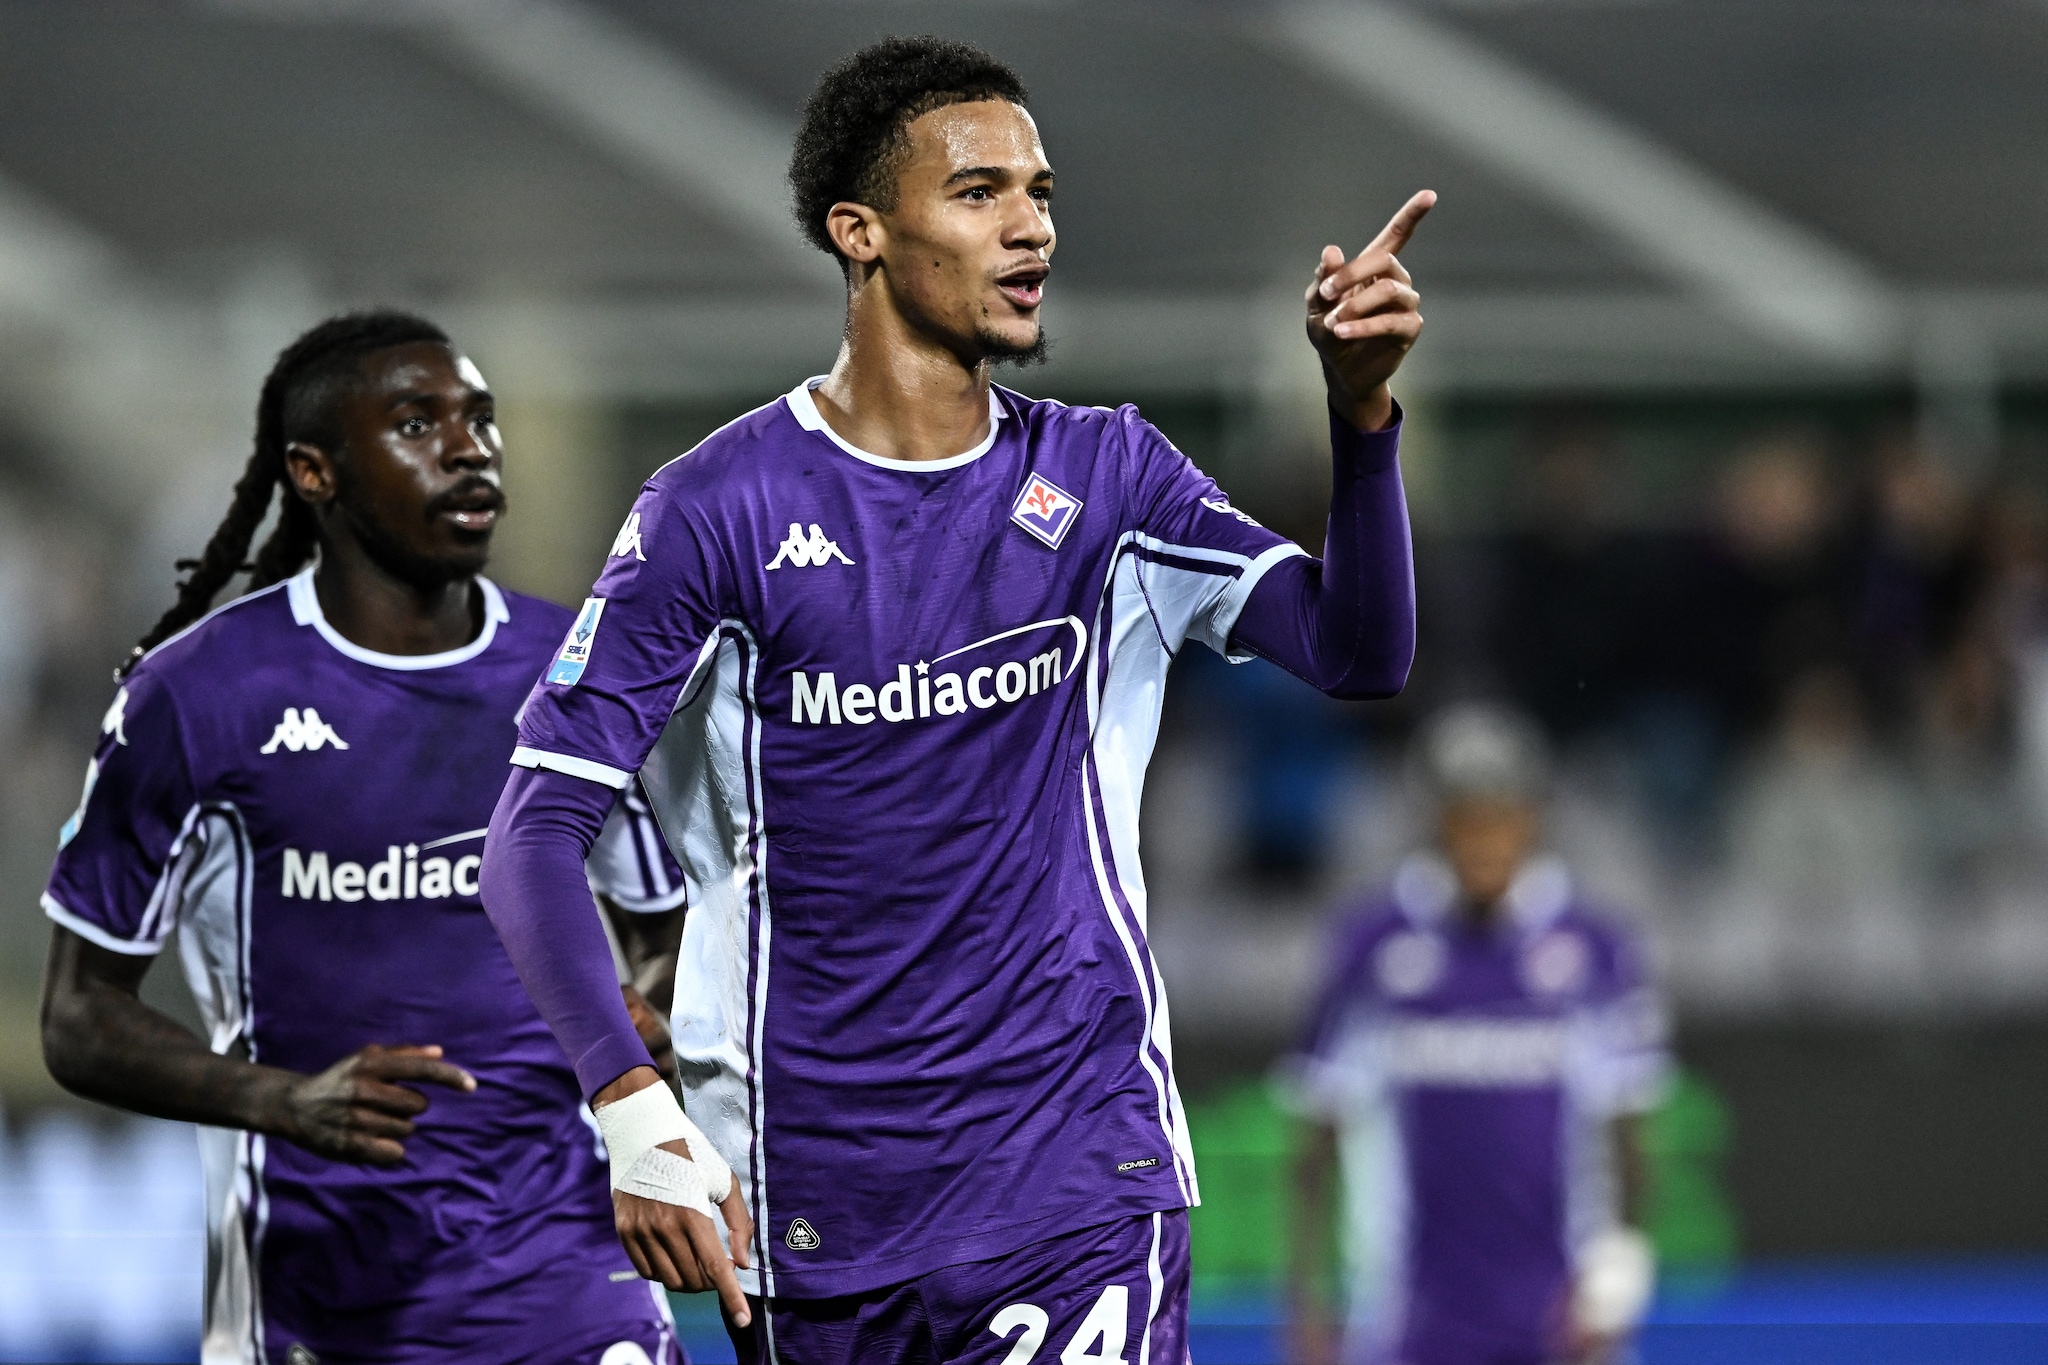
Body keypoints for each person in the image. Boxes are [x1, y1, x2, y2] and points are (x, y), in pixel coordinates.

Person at [480, 36, 1423, 1364]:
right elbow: (527, 839)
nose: (1031, 226)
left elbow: (1360, 649)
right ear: (857, 231)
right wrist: (635, 1114)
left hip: (1077, 1177)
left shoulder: (1111, 479)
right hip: (814, 1205)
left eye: (1039, 192)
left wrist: (1362, 416)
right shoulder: (716, 512)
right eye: (981, 193)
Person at [40, 311, 687, 1365]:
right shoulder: (200, 698)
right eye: (416, 423)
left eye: (478, 419)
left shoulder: (568, 670)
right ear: (315, 473)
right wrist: (284, 1102)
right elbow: (75, 1016)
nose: (469, 445)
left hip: (564, 1264)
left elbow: (660, 919)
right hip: (321, 1292)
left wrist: (649, 1010)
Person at [1284, 705, 1669, 1365]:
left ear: (1533, 820)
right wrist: (1307, 1305)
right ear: (1436, 825)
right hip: (1407, 1320)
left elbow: (1630, 1137)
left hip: (1559, 1320)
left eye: (1503, 816)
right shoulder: (1373, 944)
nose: (1485, 840)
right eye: (1467, 819)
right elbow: (1318, 1135)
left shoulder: (1594, 948)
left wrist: (1615, 1284)